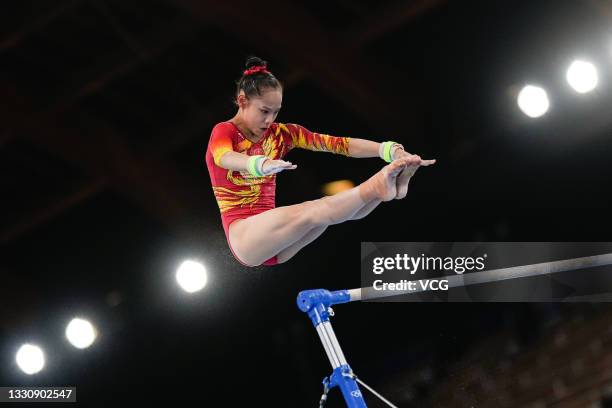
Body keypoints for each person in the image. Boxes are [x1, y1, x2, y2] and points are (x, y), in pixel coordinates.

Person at [205, 56, 435, 267]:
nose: (270, 119)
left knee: (331, 216)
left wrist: (387, 149)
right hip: (244, 236)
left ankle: (389, 185)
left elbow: (340, 144)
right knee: (315, 209)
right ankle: (379, 184)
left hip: (277, 245)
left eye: (276, 112)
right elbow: (224, 157)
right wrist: (259, 164)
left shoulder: (283, 134)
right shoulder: (225, 131)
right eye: (264, 111)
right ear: (242, 101)